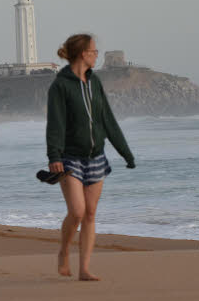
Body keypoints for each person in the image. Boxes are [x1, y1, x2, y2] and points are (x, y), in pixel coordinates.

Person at [46, 34, 135, 281]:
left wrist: (125, 152)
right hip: (69, 157)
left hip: (96, 157)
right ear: (83, 54)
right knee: (77, 211)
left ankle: (84, 268)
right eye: (94, 51)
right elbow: (55, 123)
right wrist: (54, 155)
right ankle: (64, 251)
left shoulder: (94, 83)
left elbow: (108, 120)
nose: (97, 55)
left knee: (91, 213)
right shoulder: (60, 86)